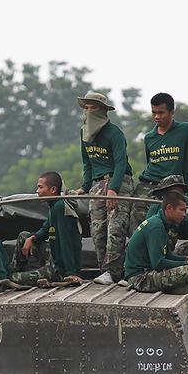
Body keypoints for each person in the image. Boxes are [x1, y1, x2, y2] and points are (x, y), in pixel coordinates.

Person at [75, 91, 134, 285]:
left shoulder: (114, 133)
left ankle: (113, 272)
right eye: (86, 107)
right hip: (97, 184)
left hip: (119, 181)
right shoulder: (84, 133)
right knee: (97, 230)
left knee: (115, 228)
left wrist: (113, 189)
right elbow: (87, 163)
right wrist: (85, 187)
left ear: (102, 110)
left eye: (93, 107)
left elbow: (120, 163)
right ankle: (105, 272)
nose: (88, 111)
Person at [132, 93, 188, 229]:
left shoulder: (184, 130)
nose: (156, 117)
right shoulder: (149, 137)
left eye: (161, 113)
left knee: (166, 226)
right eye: (153, 112)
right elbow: (151, 163)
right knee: (138, 226)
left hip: (170, 188)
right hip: (147, 186)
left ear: (171, 112)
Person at [1, 171, 83, 289]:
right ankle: (14, 271)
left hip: (59, 269)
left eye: (40, 187)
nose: (37, 191)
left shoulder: (60, 207)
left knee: (12, 279)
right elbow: (45, 229)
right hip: (54, 256)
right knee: (24, 236)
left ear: (53, 190)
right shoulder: (54, 206)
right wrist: (32, 238)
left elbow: (66, 241)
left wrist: (71, 273)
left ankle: (13, 277)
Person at [125, 190, 188, 296]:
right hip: (140, 279)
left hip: (149, 273)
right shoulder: (156, 226)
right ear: (169, 208)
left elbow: (167, 255)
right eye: (181, 210)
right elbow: (158, 264)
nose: (184, 214)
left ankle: (183, 289)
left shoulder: (164, 223)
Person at [145, 175, 188, 262]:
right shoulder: (157, 211)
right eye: (177, 194)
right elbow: (158, 262)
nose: (181, 198)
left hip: (167, 256)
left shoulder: (178, 216)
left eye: (182, 194)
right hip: (151, 261)